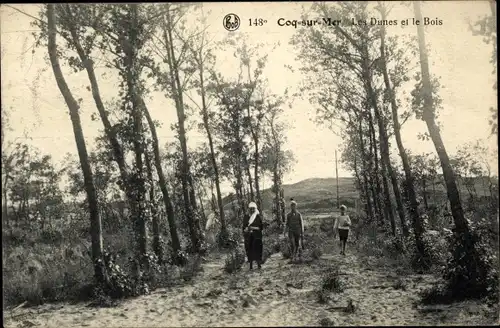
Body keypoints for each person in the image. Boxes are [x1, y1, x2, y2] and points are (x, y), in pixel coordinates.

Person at [242, 202, 264, 270]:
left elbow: (261, 227)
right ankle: (251, 266)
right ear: (248, 209)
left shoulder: (257, 216)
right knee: (249, 250)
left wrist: (253, 228)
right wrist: (246, 230)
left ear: (255, 209)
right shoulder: (246, 217)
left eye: (253, 209)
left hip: (256, 236)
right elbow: (243, 227)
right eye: (250, 209)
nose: (252, 210)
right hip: (248, 236)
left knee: (257, 250)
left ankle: (258, 265)